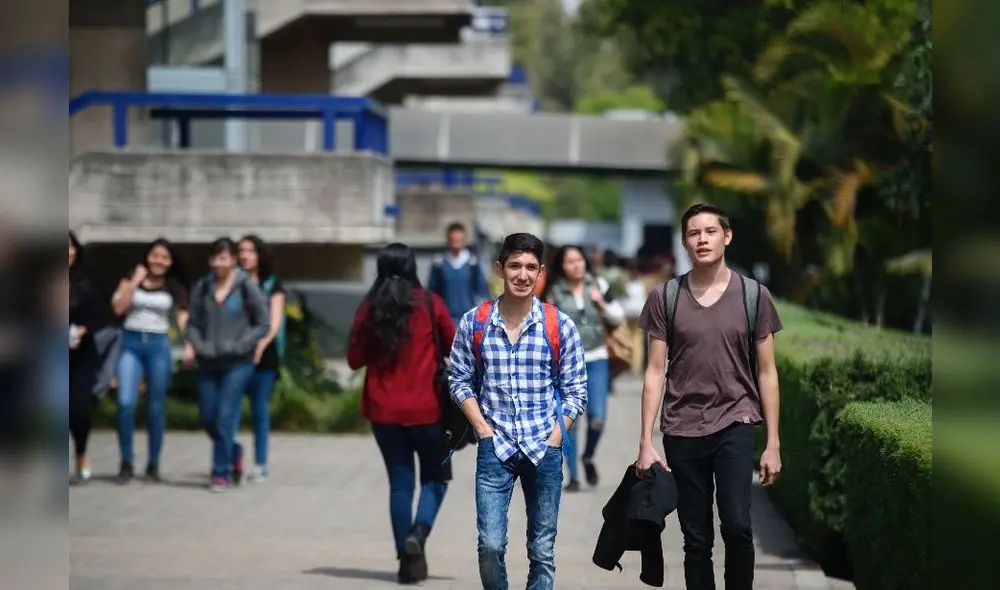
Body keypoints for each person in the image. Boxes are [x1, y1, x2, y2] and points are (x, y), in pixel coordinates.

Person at [635, 203, 784, 590]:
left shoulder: (754, 295)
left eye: (710, 231)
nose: (702, 239)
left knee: (737, 527)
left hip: (736, 421)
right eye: (693, 233)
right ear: (684, 242)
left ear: (727, 236)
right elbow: (654, 371)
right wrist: (645, 442)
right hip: (682, 428)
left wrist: (773, 443)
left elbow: (767, 372)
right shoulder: (666, 297)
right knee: (696, 539)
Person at [449, 232, 587, 590]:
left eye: (530, 267)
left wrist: (557, 435)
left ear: (541, 272)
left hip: (545, 449)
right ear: (500, 269)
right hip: (496, 449)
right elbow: (459, 379)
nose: (522, 275)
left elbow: (576, 391)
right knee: (490, 546)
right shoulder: (475, 322)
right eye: (514, 266)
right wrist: (482, 428)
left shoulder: (559, 325)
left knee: (541, 551)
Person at [347, 243, 456, 585]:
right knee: (436, 479)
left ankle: (403, 554)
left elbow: (353, 359)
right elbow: (456, 347)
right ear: (412, 267)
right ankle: (418, 535)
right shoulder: (429, 303)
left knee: (400, 483)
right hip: (428, 410)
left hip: (383, 411)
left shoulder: (370, 307)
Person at [184, 238, 269, 493]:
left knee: (224, 416)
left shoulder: (246, 286)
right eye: (215, 258)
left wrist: (241, 345)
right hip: (208, 361)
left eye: (224, 258)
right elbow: (192, 323)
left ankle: (220, 472)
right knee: (208, 417)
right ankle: (235, 451)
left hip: (238, 363)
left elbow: (262, 323)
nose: (218, 263)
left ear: (233, 260)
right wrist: (199, 345)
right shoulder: (203, 287)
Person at [540, 245, 624, 491]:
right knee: (569, 421)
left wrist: (602, 305)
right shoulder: (554, 292)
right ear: (562, 266)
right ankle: (574, 475)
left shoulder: (598, 285)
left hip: (597, 358)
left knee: (598, 417)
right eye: (570, 261)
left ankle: (588, 456)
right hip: (566, 363)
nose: (576, 265)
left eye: (579, 260)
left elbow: (618, 316)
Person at [110, 237, 189, 483]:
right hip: (131, 343)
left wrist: (188, 345)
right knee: (125, 403)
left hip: (158, 345)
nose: (159, 261)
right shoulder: (129, 278)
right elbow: (118, 308)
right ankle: (126, 461)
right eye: (155, 255)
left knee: (155, 406)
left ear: (170, 262)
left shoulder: (173, 286)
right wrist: (134, 282)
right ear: (147, 256)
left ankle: (153, 464)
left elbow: (183, 319)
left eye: (165, 257)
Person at [235, 234, 286, 484]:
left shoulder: (271, 284)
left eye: (250, 251)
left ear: (259, 255)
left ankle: (260, 464)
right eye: (241, 251)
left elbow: (275, 321)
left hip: (264, 355)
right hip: (233, 353)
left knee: (259, 410)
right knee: (229, 409)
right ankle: (231, 458)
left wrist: (261, 345)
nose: (245, 255)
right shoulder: (229, 282)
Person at [68, 231, 112, 484]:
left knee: (79, 411)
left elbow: (101, 312)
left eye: (69, 247)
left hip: (81, 352)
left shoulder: (87, 279)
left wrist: (82, 329)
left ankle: (82, 452)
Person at [428, 222, 490, 324]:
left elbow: (481, 291)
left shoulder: (472, 262)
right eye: (453, 240)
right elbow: (433, 293)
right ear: (448, 239)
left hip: (469, 319)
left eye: (459, 240)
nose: (456, 243)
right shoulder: (439, 263)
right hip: (446, 319)